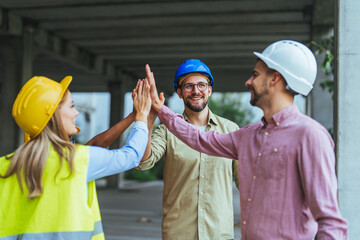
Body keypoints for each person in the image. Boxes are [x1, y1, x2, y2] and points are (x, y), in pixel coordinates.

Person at [147, 40, 348, 239]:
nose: (248, 82)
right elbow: (199, 139)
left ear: (274, 79)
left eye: (255, 75)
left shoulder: (310, 136)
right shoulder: (247, 136)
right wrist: (160, 110)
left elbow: (331, 224)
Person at [0, 76, 151, 240]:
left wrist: (133, 116)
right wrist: (142, 117)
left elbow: (92, 147)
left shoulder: (4, 165)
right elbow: (131, 156)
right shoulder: (78, 159)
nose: (76, 112)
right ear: (54, 114)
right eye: (71, 106)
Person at [138, 59, 240, 240]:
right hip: (179, 234)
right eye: (188, 86)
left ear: (210, 89)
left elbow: (246, 184)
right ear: (179, 92)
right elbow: (144, 162)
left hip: (220, 234)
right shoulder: (166, 131)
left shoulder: (231, 130)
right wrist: (150, 118)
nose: (196, 91)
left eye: (202, 85)